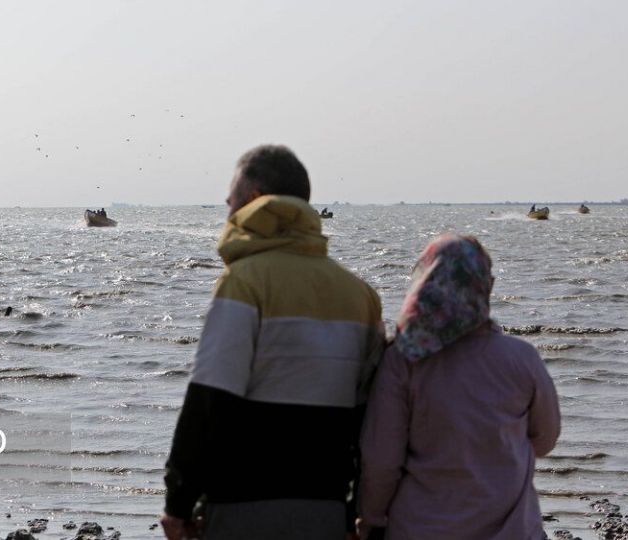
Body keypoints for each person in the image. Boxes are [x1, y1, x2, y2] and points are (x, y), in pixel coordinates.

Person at [161, 145, 385, 540]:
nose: (227, 210)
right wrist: (359, 512)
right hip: (326, 509)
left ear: (251, 201)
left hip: (242, 506)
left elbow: (209, 400)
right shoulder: (360, 295)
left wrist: (178, 503)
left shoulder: (244, 282)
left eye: (230, 200)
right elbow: (370, 421)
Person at [357, 234, 560, 540]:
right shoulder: (521, 358)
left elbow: (382, 460)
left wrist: (369, 518)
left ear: (425, 284)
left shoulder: (404, 359)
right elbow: (544, 439)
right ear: (484, 287)